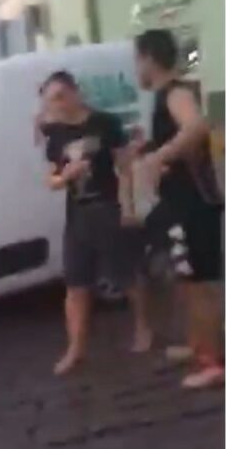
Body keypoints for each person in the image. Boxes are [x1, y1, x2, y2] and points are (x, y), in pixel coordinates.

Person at [39, 70, 152, 375]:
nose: (57, 105)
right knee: (75, 284)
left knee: (127, 275)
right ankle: (75, 348)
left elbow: (124, 167)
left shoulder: (105, 123)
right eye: (51, 100)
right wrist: (65, 176)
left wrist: (128, 207)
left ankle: (142, 327)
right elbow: (50, 179)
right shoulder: (56, 134)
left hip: (108, 207)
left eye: (60, 97)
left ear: (75, 92)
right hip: (77, 214)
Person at [134, 29, 225, 389]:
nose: (136, 68)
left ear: (148, 58)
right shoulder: (163, 97)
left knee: (200, 286)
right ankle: (196, 345)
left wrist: (158, 157)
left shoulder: (176, 93)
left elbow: (195, 127)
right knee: (187, 282)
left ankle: (211, 363)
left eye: (137, 60)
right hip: (179, 205)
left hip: (193, 206)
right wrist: (149, 152)